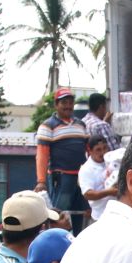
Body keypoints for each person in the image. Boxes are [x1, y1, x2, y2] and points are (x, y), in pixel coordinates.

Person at [35, 87, 90, 234]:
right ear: (56, 105)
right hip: (62, 178)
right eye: (64, 102)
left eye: (70, 102)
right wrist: (41, 181)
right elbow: (42, 155)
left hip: (81, 178)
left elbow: (89, 151)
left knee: (82, 213)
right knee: (58, 215)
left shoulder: (81, 124)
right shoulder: (48, 126)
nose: (68, 106)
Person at [78, 135, 118, 223]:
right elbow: (88, 194)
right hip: (100, 217)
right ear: (90, 151)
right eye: (98, 150)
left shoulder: (113, 161)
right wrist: (110, 192)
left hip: (118, 214)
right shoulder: (86, 169)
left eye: (105, 148)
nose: (103, 152)